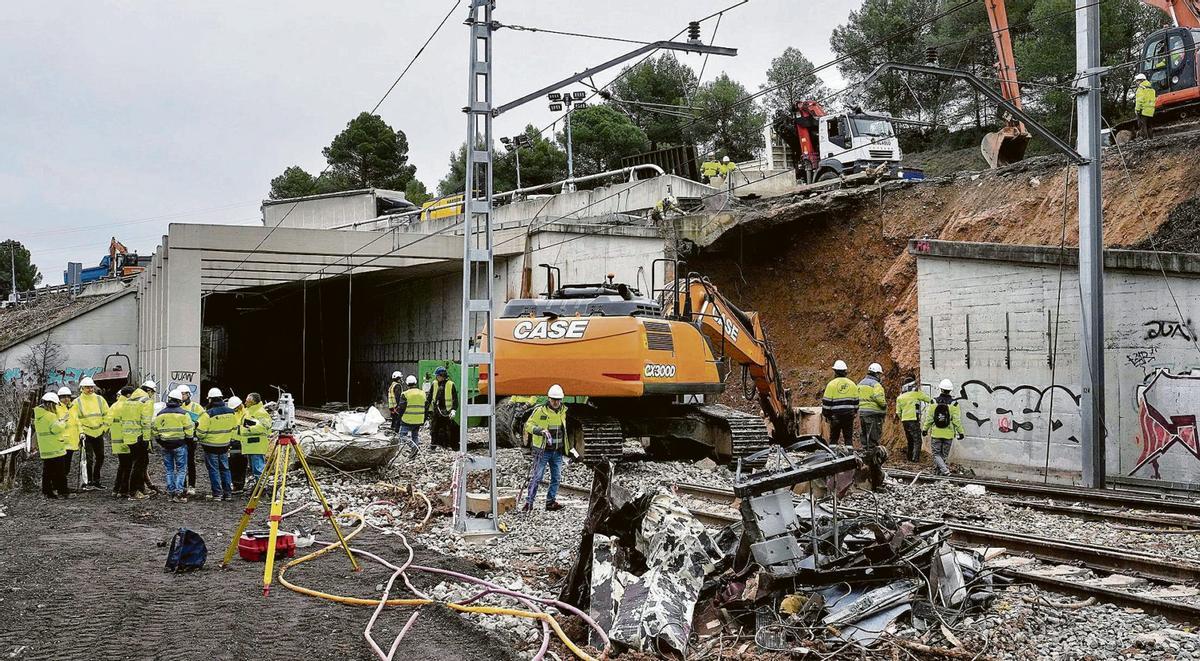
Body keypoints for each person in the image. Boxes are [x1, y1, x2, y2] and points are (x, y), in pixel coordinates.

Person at [522, 384, 573, 512]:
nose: (556, 402)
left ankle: (550, 502)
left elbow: (566, 431)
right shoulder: (540, 411)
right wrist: (539, 431)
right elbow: (528, 425)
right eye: (553, 400)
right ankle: (529, 502)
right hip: (542, 451)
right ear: (549, 399)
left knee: (556, 477)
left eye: (558, 400)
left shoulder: (564, 412)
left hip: (557, 452)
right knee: (537, 476)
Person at [153, 387, 195, 503]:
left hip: (165, 446)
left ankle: (170, 494)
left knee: (169, 470)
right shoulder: (183, 414)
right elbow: (189, 431)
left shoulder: (160, 414)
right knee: (181, 470)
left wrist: (161, 441)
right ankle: (179, 493)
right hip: (180, 445)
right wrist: (188, 441)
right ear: (179, 401)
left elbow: (155, 430)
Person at [197, 387, 238, 501]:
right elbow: (234, 428)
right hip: (224, 445)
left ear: (210, 399)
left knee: (213, 470)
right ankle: (228, 494)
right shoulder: (231, 412)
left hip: (210, 446)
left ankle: (217, 494)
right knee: (225, 469)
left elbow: (201, 432)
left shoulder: (208, 414)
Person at [72, 376, 110, 491]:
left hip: (98, 432)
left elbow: (107, 414)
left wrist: (104, 427)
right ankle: (88, 481)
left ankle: (96, 480)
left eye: (91, 387)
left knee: (100, 456)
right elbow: (75, 419)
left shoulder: (99, 399)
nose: (90, 389)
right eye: (87, 387)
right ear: (82, 388)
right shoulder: (77, 402)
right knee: (88, 458)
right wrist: (81, 432)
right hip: (86, 433)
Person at [119, 381, 154, 500]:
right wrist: (146, 439)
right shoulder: (146, 401)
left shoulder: (128, 401)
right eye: (152, 393)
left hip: (129, 437)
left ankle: (141, 489)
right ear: (149, 390)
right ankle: (134, 492)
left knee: (138, 463)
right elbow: (146, 421)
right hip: (139, 437)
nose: (152, 395)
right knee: (140, 465)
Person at [922, 379, 964, 476]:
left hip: (936, 433)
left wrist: (925, 429)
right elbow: (956, 420)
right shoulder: (954, 404)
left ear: (941, 389)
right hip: (948, 434)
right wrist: (961, 432)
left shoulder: (933, 402)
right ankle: (939, 473)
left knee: (936, 454)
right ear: (950, 390)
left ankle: (944, 471)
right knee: (944, 456)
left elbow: (929, 418)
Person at [35, 392, 72, 499]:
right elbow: (56, 429)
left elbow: (49, 428)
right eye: (55, 405)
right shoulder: (50, 416)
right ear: (51, 404)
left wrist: (58, 421)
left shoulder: (39, 416)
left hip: (46, 449)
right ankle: (63, 492)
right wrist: (63, 421)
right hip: (55, 449)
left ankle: (47, 492)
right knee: (60, 472)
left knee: (47, 472)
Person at [821, 360, 859, 446]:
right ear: (845, 371)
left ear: (835, 372)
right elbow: (856, 402)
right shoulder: (852, 384)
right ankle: (850, 455)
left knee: (834, 437)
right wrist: (854, 412)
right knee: (848, 437)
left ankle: (833, 455)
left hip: (835, 416)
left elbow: (826, 403)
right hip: (849, 415)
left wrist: (827, 415)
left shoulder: (831, 385)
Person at [895, 379, 933, 463]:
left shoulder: (900, 398)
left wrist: (903, 418)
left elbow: (898, 412)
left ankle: (909, 458)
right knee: (917, 440)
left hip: (905, 421)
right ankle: (915, 460)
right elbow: (930, 400)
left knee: (910, 440)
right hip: (913, 420)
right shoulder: (916, 394)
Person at [240, 393, 273, 486]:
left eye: (247, 400)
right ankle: (258, 487)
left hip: (257, 444)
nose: (245, 402)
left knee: (258, 468)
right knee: (254, 468)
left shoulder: (260, 412)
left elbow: (266, 427)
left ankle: (262, 488)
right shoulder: (249, 411)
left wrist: (248, 429)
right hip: (251, 445)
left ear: (253, 402)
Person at [107, 386, 133, 498]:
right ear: (128, 395)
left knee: (122, 465)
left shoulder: (114, 406)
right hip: (127, 440)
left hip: (117, 441)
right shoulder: (128, 406)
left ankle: (116, 489)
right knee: (127, 467)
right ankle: (123, 491)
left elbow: (108, 422)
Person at [178, 387, 204, 496]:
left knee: (190, 462)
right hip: (181, 437)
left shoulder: (196, 407)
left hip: (191, 438)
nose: (182, 396)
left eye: (183, 394)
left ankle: (192, 485)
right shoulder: (178, 406)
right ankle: (183, 485)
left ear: (189, 394)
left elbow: (204, 418)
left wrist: (197, 423)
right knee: (181, 463)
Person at [55, 386, 83, 491]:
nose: (66, 399)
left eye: (68, 396)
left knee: (66, 466)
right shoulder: (56, 408)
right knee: (61, 466)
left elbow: (77, 421)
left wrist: (81, 433)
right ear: (59, 398)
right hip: (61, 442)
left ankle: (61, 486)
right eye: (63, 397)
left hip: (72, 442)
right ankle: (60, 486)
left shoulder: (73, 407)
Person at [393, 375, 426, 460]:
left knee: (402, 436)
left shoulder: (405, 394)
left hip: (407, 419)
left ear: (407, 384)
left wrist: (397, 423)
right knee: (415, 436)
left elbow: (401, 410)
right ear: (416, 383)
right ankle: (413, 455)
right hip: (419, 419)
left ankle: (413, 447)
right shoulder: (422, 393)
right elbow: (426, 406)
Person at [857, 363, 887, 450]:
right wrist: (884, 405)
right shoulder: (876, 385)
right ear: (876, 373)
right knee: (873, 435)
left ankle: (866, 452)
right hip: (873, 414)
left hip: (862, 413)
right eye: (879, 374)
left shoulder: (860, 383)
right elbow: (879, 399)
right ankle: (872, 455)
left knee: (864, 434)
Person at [429, 366, 458, 449]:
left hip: (446, 411)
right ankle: (433, 445)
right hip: (436, 411)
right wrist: (427, 409)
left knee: (447, 429)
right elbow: (430, 397)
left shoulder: (450, 384)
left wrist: (453, 410)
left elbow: (455, 399)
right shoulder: (434, 383)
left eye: (438, 376)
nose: (436, 377)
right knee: (434, 429)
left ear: (442, 376)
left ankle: (447, 446)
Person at [226, 396, 247, 493]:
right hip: (233, 441)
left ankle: (238, 485)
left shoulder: (246, 414)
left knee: (239, 464)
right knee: (233, 463)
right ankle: (236, 484)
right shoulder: (234, 413)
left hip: (241, 442)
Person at [1134, 73, 1156, 139]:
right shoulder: (1151, 89)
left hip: (1142, 110)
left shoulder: (1141, 89)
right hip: (1150, 110)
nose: (1136, 83)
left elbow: (1139, 101)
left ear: (1141, 80)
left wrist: (1137, 110)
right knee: (1149, 126)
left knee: (1142, 126)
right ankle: (1151, 138)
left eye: (1137, 81)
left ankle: (1145, 139)